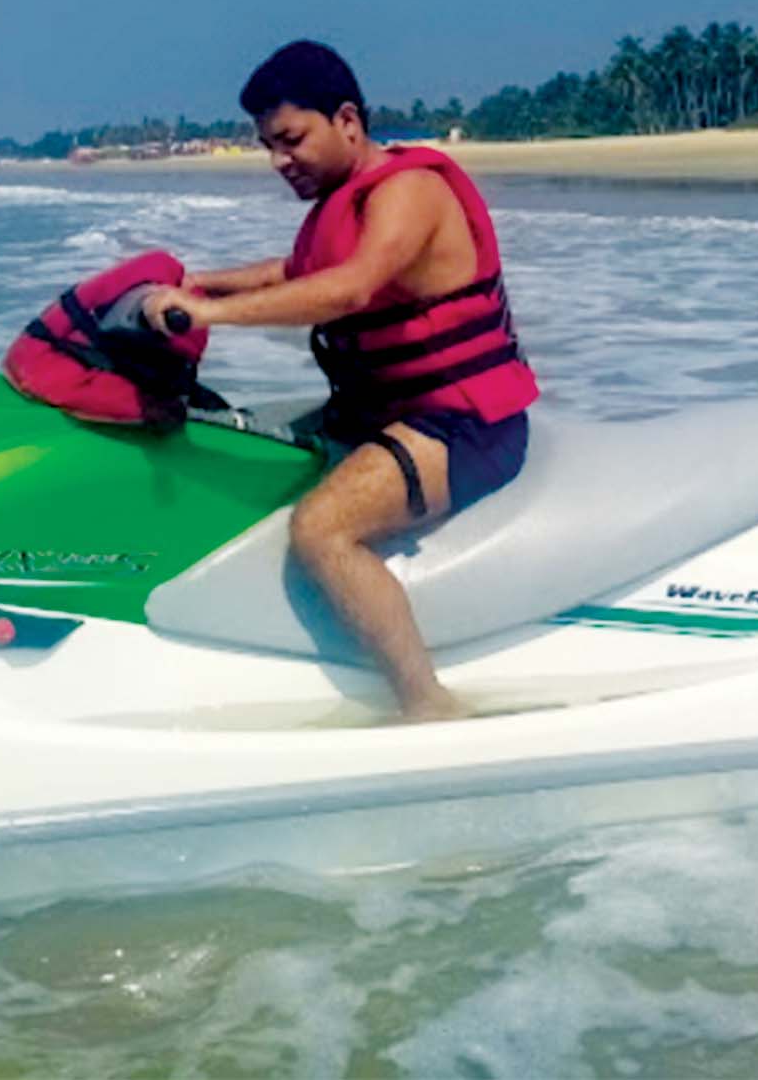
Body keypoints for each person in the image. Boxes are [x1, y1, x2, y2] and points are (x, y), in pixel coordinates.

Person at [144, 41, 536, 720]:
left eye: (291, 140)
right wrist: (199, 281)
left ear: (347, 119)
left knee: (322, 528)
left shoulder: (410, 192)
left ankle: (427, 703)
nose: (279, 162)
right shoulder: (342, 201)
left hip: (468, 424)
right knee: (243, 445)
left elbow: (350, 289)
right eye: (269, 146)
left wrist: (211, 313)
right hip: (384, 410)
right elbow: (294, 274)